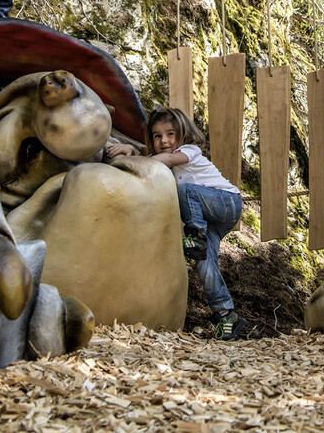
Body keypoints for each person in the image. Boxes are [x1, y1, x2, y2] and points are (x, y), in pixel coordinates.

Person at [107, 107, 250, 341]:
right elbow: (153, 157)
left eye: (170, 134)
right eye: (157, 136)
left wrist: (129, 158)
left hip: (226, 203)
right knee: (203, 263)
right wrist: (132, 148)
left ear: (182, 135)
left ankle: (195, 235)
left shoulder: (189, 151)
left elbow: (163, 159)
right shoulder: (164, 159)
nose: (164, 141)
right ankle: (226, 315)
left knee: (185, 191)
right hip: (210, 218)